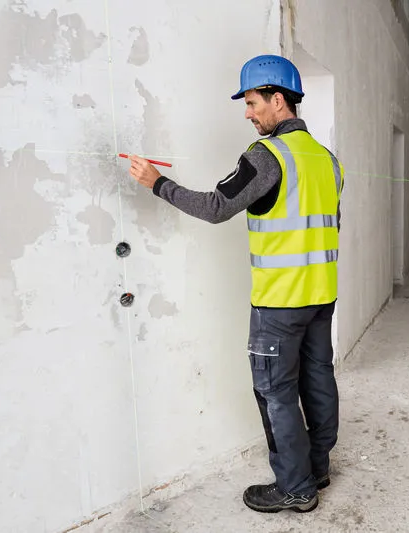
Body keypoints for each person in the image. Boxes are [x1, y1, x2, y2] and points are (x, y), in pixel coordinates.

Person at [126, 54, 344, 514]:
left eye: (251, 103)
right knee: (318, 379)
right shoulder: (327, 160)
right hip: (321, 295)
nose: (247, 114)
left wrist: (158, 183)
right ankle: (317, 468)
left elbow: (215, 207)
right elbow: (328, 223)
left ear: (277, 100)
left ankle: (296, 487)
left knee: (276, 392)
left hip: (279, 302)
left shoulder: (267, 155)